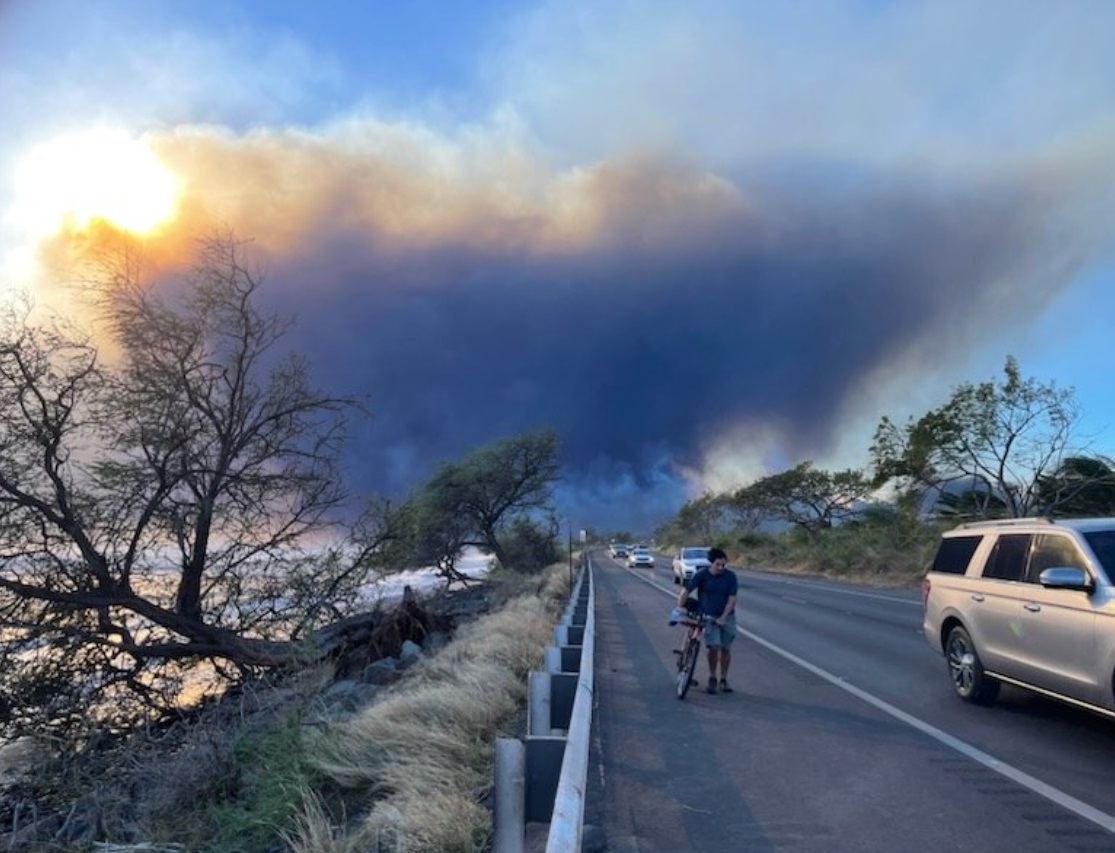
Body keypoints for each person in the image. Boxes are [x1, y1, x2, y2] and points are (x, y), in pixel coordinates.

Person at [677, 547, 738, 694]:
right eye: (718, 564)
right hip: (708, 616)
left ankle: (723, 679)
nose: (721, 567)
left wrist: (723, 617)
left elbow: (732, 599)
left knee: (725, 649)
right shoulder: (702, 575)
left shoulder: (730, 577)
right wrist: (680, 606)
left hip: (726, 616)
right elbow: (686, 591)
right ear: (711, 563)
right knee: (713, 648)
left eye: (724, 564)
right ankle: (712, 677)